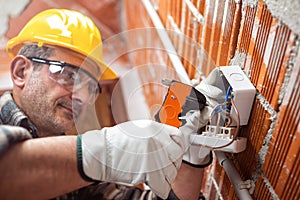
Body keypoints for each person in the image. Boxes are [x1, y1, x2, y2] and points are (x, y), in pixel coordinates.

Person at [0, 9, 213, 199]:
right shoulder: (81, 163)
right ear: (21, 72)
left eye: (90, 87)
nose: (82, 97)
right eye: (68, 75)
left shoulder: (76, 176)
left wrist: (190, 154)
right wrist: (105, 152)